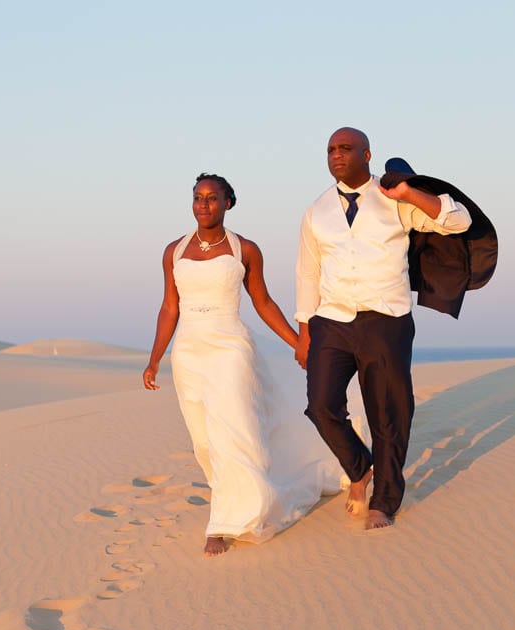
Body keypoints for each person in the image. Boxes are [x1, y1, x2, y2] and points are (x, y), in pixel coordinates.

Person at [144, 173, 346, 557]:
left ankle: (225, 523)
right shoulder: (173, 250)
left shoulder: (245, 249)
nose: (203, 205)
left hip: (230, 348)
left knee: (233, 430)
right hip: (188, 351)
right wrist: (155, 359)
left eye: (212, 198)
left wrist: (299, 342)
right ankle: (240, 498)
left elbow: (263, 302)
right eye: (197, 198)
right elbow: (170, 306)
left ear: (228, 203)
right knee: (203, 439)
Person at [295, 127, 473, 530]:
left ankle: (384, 501)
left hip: (385, 319)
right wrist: (305, 331)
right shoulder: (316, 210)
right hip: (332, 320)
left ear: (367, 154)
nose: (336, 155)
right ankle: (360, 470)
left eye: (345, 148)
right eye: (330, 150)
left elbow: (457, 221)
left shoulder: (394, 197)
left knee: (388, 413)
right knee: (321, 406)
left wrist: (409, 193)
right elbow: (307, 272)